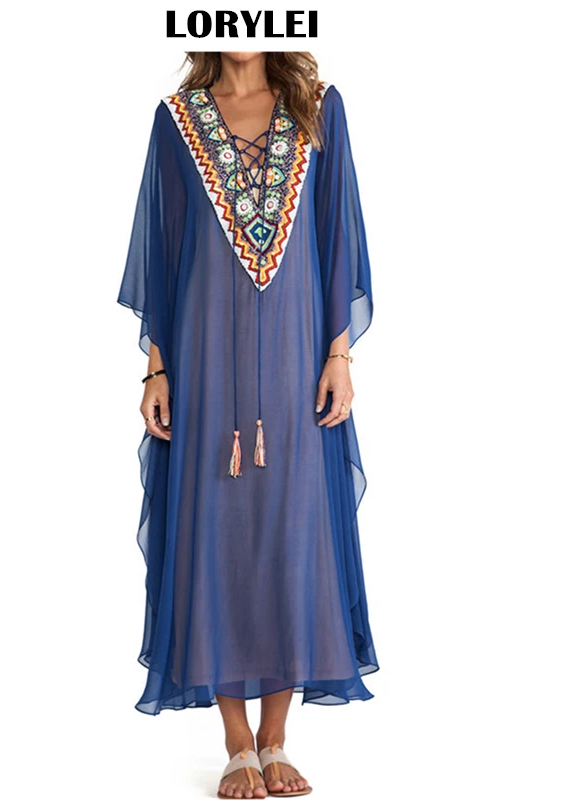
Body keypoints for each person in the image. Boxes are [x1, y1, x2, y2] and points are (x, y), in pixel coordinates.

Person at [117, 51, 378, 799]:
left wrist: (338, 355)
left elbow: (337, 238)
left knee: (293, 535)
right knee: (216, 534)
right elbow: (164, 250)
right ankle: (237, 742)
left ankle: (276, 737)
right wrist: (156, 369)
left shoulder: (319, 109)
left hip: (297, 359)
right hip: (204, 362)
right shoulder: (177, 120)